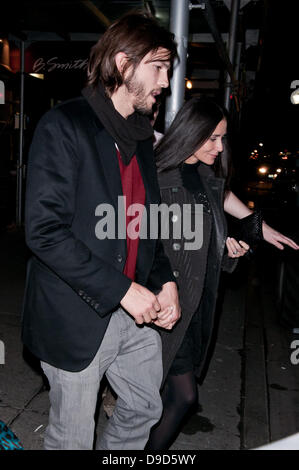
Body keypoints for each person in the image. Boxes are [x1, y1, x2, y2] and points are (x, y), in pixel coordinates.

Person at [22, 11, 181, 450]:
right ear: (125, 64)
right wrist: (122, 290)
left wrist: (164, 279)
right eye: (159, 67)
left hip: (132, 309)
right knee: (72, 438)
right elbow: (44, 232)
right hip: (75, 311)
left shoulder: (141, 138)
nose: (165, 82)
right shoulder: (65, 126)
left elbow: (144, 224)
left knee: (144, 409)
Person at [145, 96, 299, 450]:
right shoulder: (160, 178)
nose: (220, 146)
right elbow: (152, 244)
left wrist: (236, 245)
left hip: (199, 304)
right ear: (191, 134)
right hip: (167, 305)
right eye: (213, 138)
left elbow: (217, 216)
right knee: (183, 397)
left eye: (223, 138)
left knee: (162, 397)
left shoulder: (205, 177)